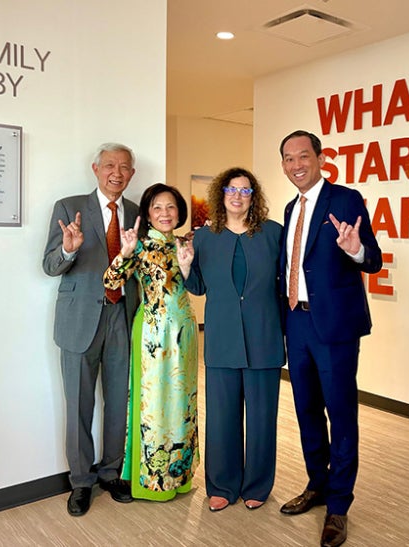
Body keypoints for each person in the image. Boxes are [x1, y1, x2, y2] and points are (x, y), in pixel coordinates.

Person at [277, 130, 383, 547]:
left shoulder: (345, 199)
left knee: (341, 415)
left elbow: (371, 259)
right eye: (288, 159)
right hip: (296, 323)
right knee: (306, 412)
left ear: (320, 158)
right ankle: (317, 484)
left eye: (303, 156)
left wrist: (356, 250)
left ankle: (338, 506)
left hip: (335, 326)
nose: (296, 165)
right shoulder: (289, 208)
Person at [177, 167, 284, 513]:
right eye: (231, 190)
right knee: (221, 417)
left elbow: (286, 287)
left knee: (262, 419)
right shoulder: (205, 238)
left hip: (264, 339)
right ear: (220, 195)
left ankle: (257, 485)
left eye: (245, 190)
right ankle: (222, 484)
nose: (237, 196)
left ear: (254, 197)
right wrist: (185, 267)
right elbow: (198, 288)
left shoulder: (273, 235)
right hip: (222, 339)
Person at [42, 143, 138, 516]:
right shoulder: (69, 208)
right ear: (96, 169)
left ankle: (111, 472)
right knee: (80, 404)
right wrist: (68, 250)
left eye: (124, 167)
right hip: (80, 320)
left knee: (118, 403)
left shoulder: (135, 212)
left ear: (132, 174)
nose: (117, 172)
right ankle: (81, 481)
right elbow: (49, 265)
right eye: (110, 165)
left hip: (122, 317)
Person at [103, 183, 199, 501]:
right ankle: (153, 481)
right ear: (147, 214)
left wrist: (189, 265)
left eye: (171, 207)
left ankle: (180, 476)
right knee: (156, 404)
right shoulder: (141, 246)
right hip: (154, 334)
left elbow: (200, 286)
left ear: (179, 211)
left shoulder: (187, 245)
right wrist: (125, 253)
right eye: (157, 207)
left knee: (182, 403)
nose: (165, 213)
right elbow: (111, 283)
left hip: (185, 332)